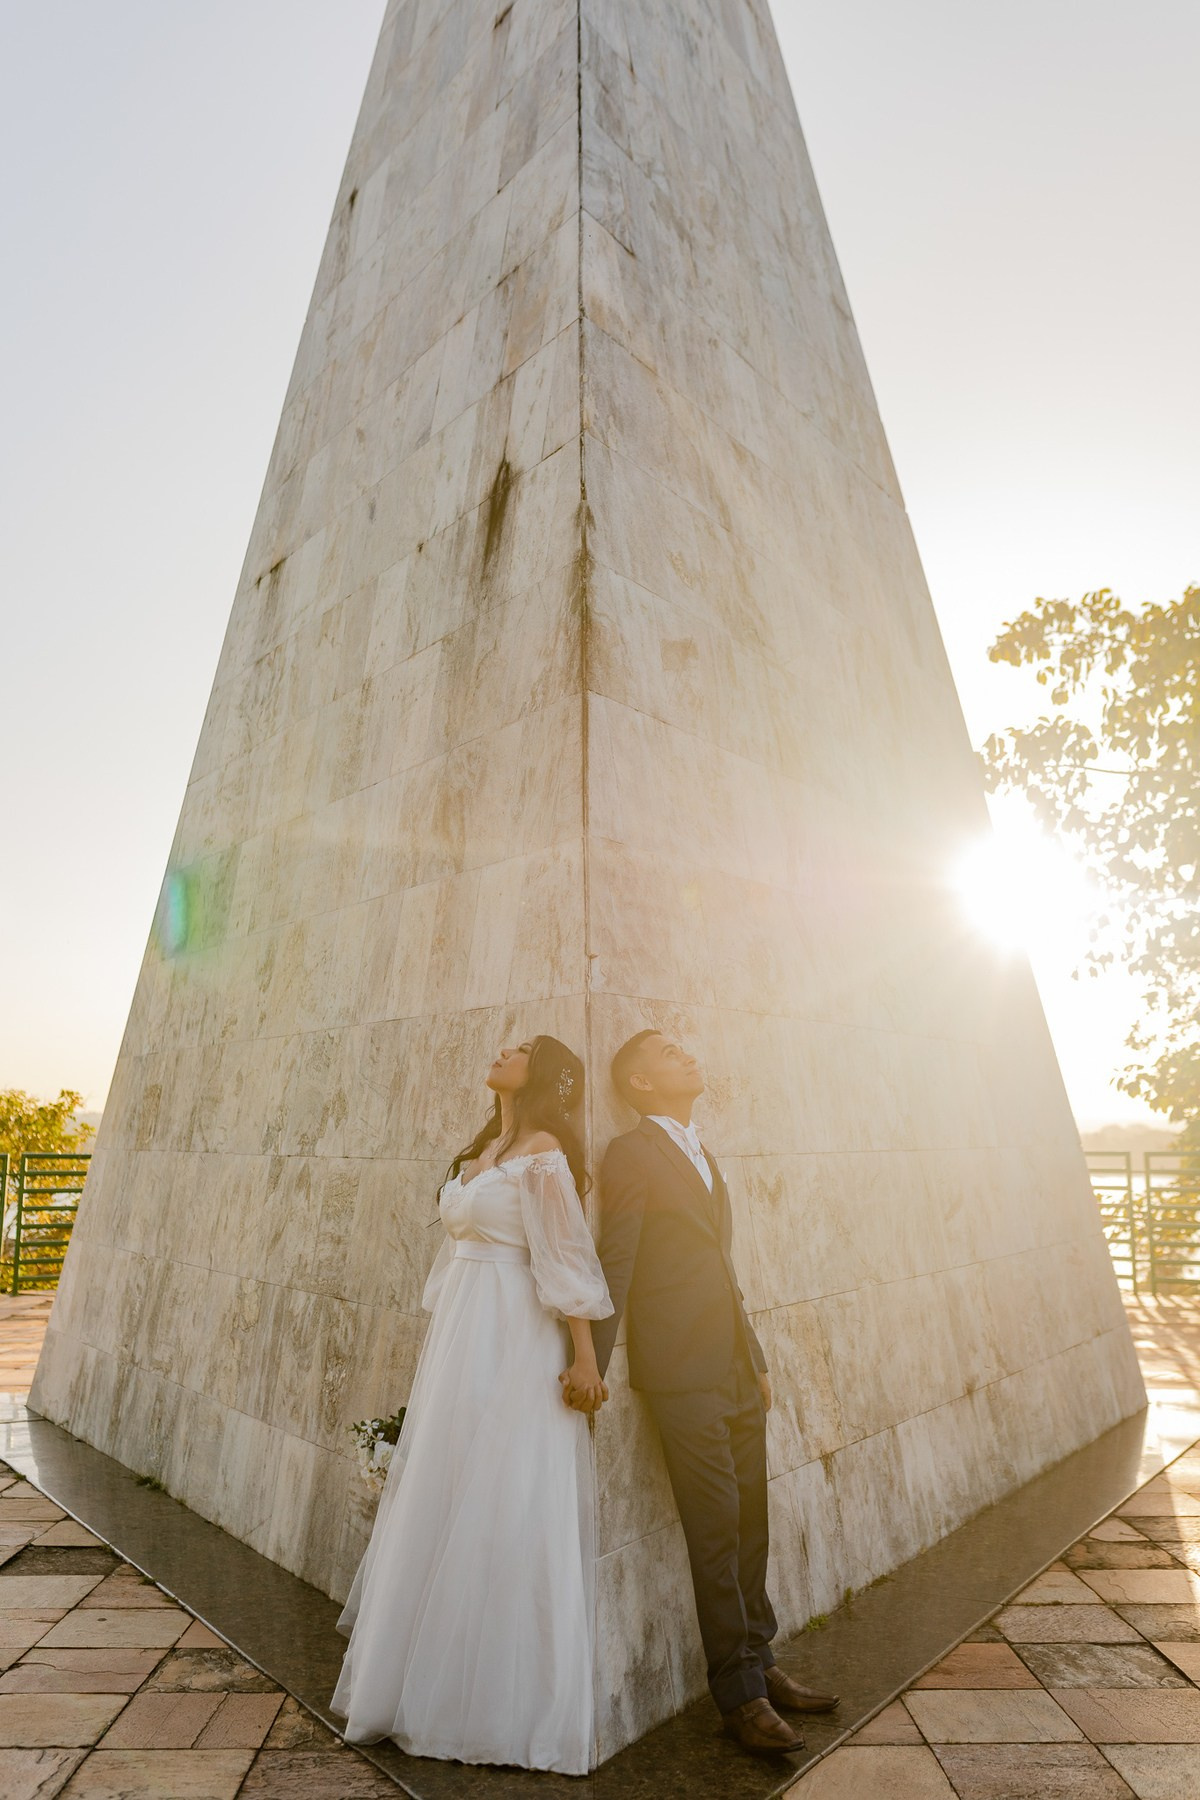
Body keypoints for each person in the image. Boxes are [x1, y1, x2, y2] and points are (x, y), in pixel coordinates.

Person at [331, 1035, 613, 1775]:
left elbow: (565, 1257)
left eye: (520, 1048)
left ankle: (498, 1703)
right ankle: (415, 1677)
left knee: (505, 1494)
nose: (501, 1050)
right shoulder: (492, 1145)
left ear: (545, 1076)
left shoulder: (547, 1150)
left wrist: (584, 1358)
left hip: (516, 1335)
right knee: (449, 1487)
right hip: (465, 1332)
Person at [585, 1030, 839, 1759]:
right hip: (681, 1372)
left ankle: (763, 1662)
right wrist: (593, 1363)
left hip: (731, 1367)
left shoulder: (703, 1151)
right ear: (638, 1083)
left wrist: (753, 1356)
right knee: (716, 1526)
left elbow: (721, 1268)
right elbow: (618, 1258)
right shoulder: (632, 1153)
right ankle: (739, 1696)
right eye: (667, 1052)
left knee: (752, 1517)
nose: (688, 1055)